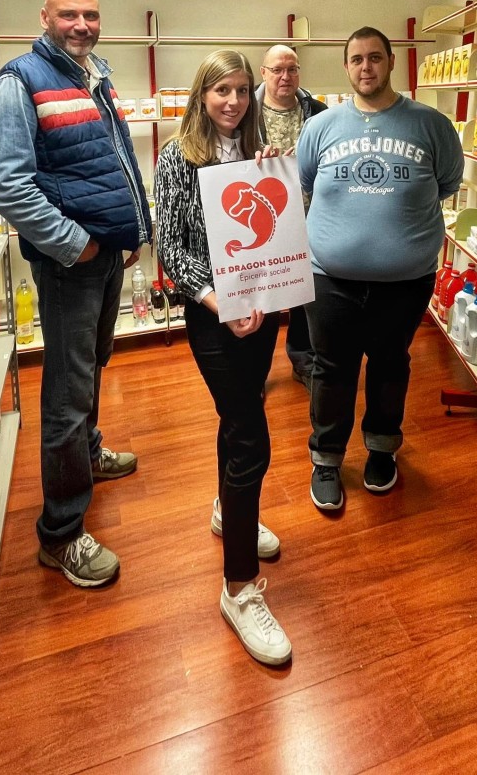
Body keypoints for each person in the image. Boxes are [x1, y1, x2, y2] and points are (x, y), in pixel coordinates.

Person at [0, 0, 151, 588]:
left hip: (104, 255)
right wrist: (73, 243)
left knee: (92, 367)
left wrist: (129, 232)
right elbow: (5, 183)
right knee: (66, 393)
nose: (82, 24)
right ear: (44, 17)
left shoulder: (93, 75)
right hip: (69, 265)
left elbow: (113, 165)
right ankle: (60, 534)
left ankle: (88, 451)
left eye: (91, 15)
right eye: (69, 14)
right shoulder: (20, 81)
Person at [154, 49, 291, 666]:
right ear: (201, 95)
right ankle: (239, 588)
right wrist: (220, 301)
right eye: (221, 91)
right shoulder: (177, 157)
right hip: (215, 316)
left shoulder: (259, 152)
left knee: (238, 419)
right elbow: (172, 249)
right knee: (251, 440)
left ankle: (225, 510)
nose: (233, 102)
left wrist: (276, 173)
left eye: (241, 90)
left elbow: (278, 230)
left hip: (261, 313)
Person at [297, 26, 464, 509]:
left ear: (391, 61)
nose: (365, 67)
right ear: (346, 67)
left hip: (405, 282)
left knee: (390, 364)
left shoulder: (431, 125)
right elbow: (305, 181)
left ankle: (382, 450)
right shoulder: (321, 126)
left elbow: (447, 183)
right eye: (356, 59)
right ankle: (326, 458)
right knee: (331, 368)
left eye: (374, 57)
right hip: (329, 278)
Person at [255, 45, 327, 389]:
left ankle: (303, 360)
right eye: (277, 70)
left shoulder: (318, 112)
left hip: (310, 216)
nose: (286, 76)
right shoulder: (245, 112)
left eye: (293, 69)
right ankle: (255, 371)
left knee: (305, 294)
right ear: (263, 72)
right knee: (262, 295)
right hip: (262, 220)